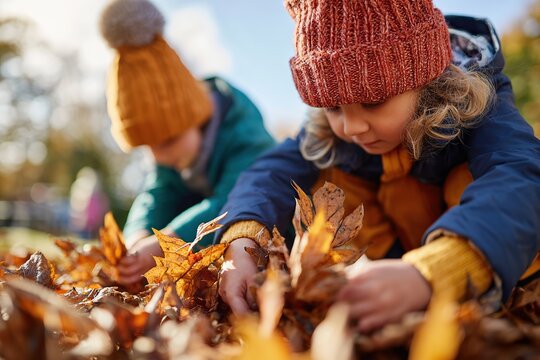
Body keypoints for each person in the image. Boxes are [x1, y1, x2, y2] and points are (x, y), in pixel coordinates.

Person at [216, 0, 540, 333]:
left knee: (470, 178)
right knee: (325, 171)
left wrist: (435, 271)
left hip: (489, 256)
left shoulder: (480, 99)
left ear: (426, 79)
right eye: (333, 107)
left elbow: (521, 176)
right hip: (397, 255)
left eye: (373, 101)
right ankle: (389, 284)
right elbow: (270, 173)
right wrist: (243, 242)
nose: (353, 127)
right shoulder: (332, 132)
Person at [99, 0, 275, 288]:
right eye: (148, 146)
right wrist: (138, 237)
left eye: (168, 140)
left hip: (264, 228)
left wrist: (170, 239)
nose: (159, 156)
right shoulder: (171, 157)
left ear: (196, 118)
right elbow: (155, 195)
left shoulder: (243, 134)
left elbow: (232, 199)